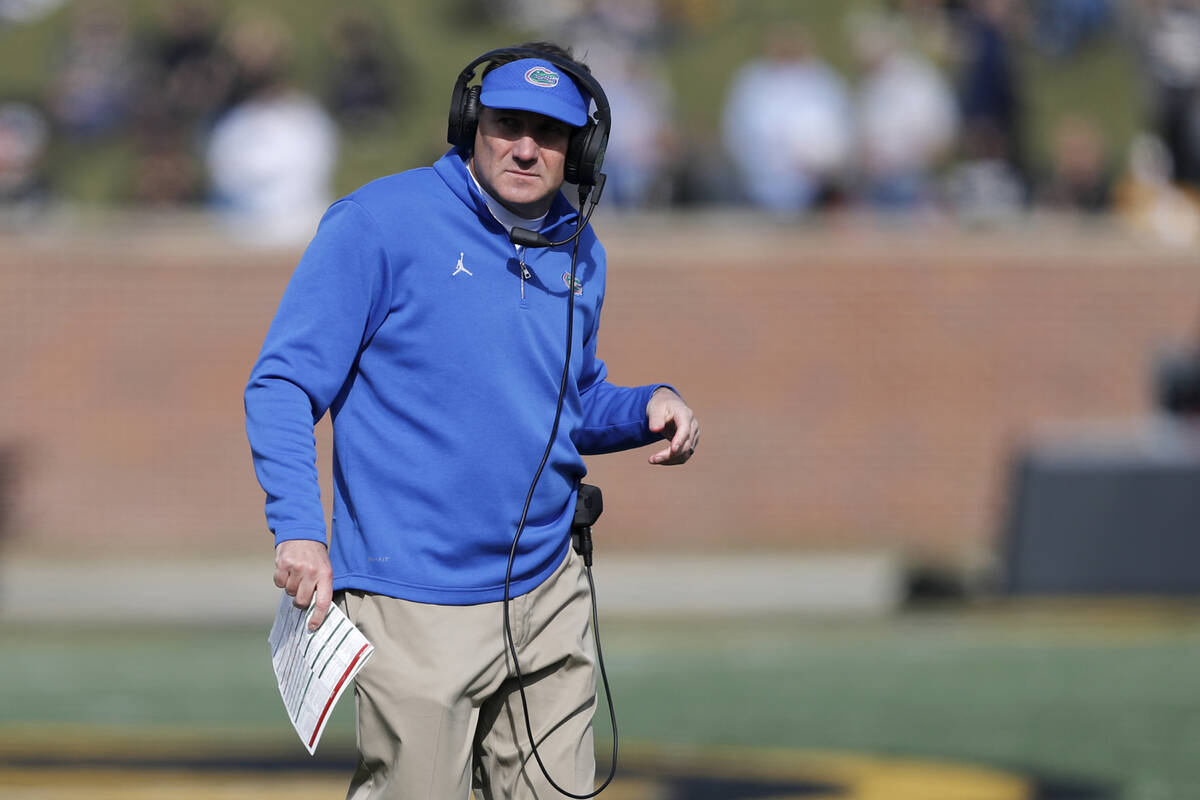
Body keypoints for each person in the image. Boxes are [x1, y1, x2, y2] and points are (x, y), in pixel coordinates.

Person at [244, 42, 699, 799]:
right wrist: (298, 527)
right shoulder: (377, 223)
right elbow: (283, 382)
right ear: (469, 124)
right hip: (412, 600)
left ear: (578, 150)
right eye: (507, 124)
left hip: (549, 590)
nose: (526, 147)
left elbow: (568, 400)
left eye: (549, 133)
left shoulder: (580, 248)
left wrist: (648, 407)